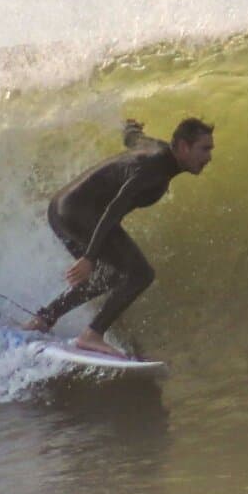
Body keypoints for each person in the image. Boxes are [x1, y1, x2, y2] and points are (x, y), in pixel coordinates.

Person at [25, 117, 214, 357]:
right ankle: (91, 335)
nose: (209, 157)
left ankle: (43, 320)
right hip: (77, 212)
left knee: (111, 275)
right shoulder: (153, 168)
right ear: (185, 147)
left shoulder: (158, 149)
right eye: (204, 149)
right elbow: (114, 209)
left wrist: (131, 127)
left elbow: (133, 139)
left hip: (63, 208)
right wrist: (89, 258)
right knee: (141, 274)